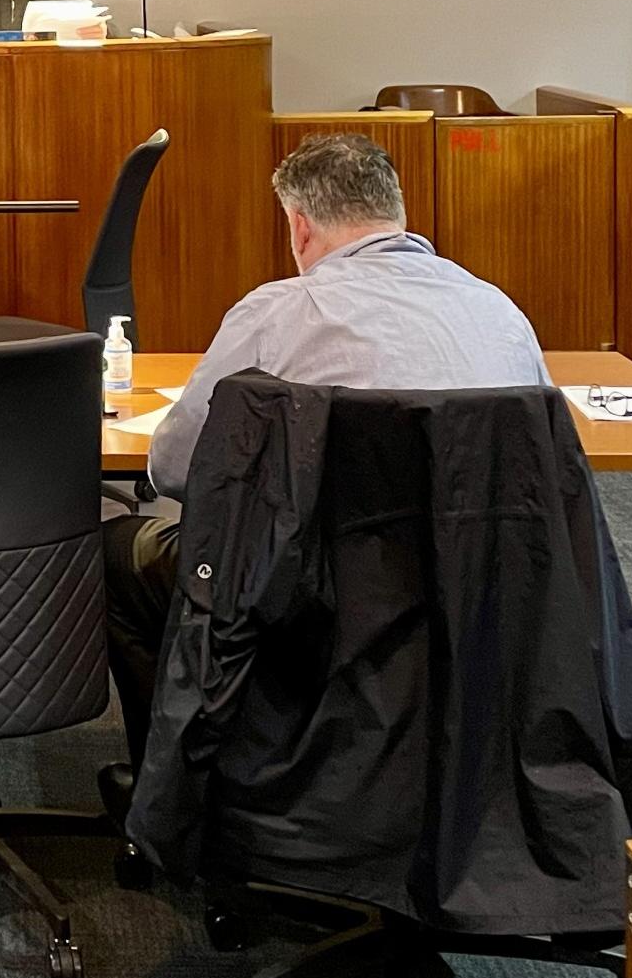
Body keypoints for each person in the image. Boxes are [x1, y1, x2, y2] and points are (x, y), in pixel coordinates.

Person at [100, 133, 550, 805]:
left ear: (298, 225)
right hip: (484, 587)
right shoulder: (499, 311)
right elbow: (545, 466)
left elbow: (174, 469)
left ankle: (179, 796)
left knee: (120, 554)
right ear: (393, 212)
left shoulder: (278, 313)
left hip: (313, 596)